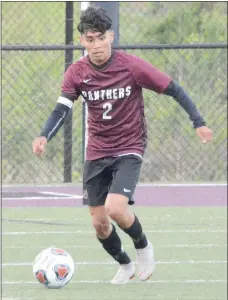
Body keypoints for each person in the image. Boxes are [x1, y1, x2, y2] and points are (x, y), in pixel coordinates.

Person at [32, 6, 213, 284]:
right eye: (89, 40)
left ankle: (143, 247)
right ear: (83, 41)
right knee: (100, 224)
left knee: (116, 208)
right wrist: (45, 135)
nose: (96, 45)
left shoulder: (131, 66)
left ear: (111, 37)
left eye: (100, 38)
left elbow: (174, 88)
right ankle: (125, 264)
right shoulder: (77, 72)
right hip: (97, 152)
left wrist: (198, 121)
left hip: (129, 146)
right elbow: (62, 109)